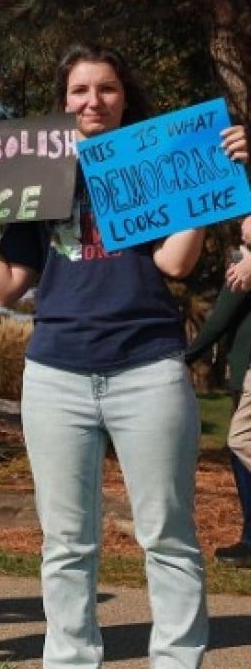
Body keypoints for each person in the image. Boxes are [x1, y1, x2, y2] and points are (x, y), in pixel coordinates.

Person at [0, 44, 249, 667]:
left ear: (124, 96)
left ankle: (177, 659)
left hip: (149, 367)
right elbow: (7, 285)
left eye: (106, 89)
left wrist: (211, 179)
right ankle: (70, 659)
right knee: (66, 541)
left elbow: (176, 265)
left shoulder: (154, 162)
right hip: (56, 374)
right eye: (80, 91)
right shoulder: (38, 178)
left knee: (167, 535)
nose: (93, 101)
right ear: (64, 101)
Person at [187, 215, 251, 567]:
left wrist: (185, 355)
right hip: (242, 368)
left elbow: (220, 317)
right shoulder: (242, 259)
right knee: (239, 449)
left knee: (241, 441)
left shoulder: (243, 263)